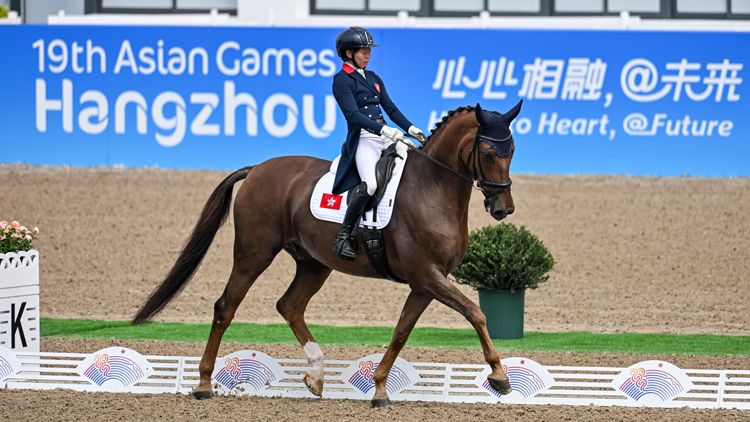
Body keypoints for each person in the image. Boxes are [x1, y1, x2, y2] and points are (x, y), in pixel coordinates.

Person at [330, 26, 425, 262]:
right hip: (364, 139)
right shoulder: (341, 80)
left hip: (386, 135)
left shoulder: (373, 78)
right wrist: (383, 129)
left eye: (369, 51)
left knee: (415, 165)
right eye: (363, 51)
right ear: (348, 53)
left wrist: (412, 129)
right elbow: (352, 115)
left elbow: (390, 109)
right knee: (370, 184)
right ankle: (344, 236)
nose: (368, 55)